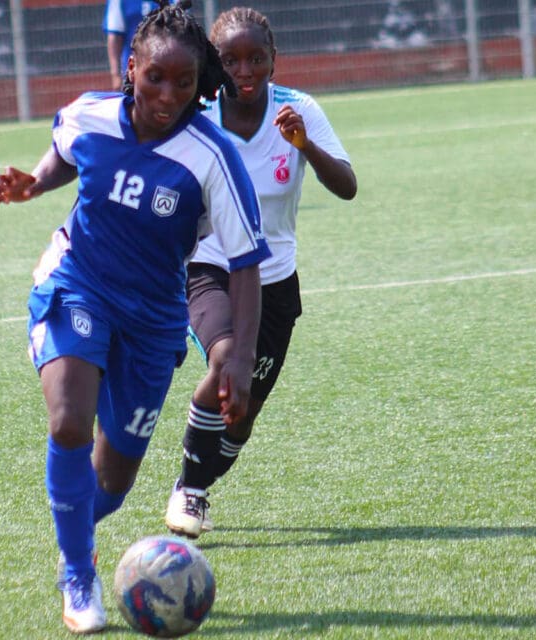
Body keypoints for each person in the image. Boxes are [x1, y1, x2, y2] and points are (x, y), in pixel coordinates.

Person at [0, 1, 269, 632]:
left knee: (111, 484)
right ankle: (77, 575)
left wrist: (241, 357)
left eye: (184, 83)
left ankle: (77, 530)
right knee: (68, 421)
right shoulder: (90, 112)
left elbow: (247, 262)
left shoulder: (211, 156)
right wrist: (34, 184)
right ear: (130, 69)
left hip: (153, 316)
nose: (166, 94)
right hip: (77, 282)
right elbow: (65, 147)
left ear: (201, 89)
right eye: (154, 78)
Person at [164, 6, 358, 539]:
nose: (244, 71)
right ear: (215, 63)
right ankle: (190, 490)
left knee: (239, 417)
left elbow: (347, 185)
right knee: (228, 363)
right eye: (230, 61)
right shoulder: (197, 115)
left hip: (275, 281)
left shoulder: (299, 109)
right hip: (211, 269)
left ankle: (198, 477)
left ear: (275, 61)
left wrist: (306, 146)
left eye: (256, 59)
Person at [103, 1, 171, 90]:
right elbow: (115, 37)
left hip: (169, 69)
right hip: (134, 72)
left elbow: (183, 29)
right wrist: (115, 75)